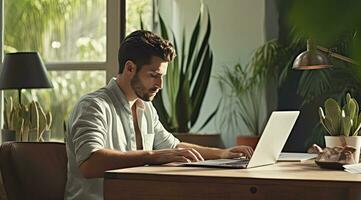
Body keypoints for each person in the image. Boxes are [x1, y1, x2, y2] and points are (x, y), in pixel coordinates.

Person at [64, 30, 253, 200]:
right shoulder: (93, 106)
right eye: (154, 75)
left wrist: (223, 154)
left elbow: (174, 147)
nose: (160, 85)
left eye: (161, 76)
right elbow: (90, 163)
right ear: (130, 68)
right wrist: (152, 156)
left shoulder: (146, 108)